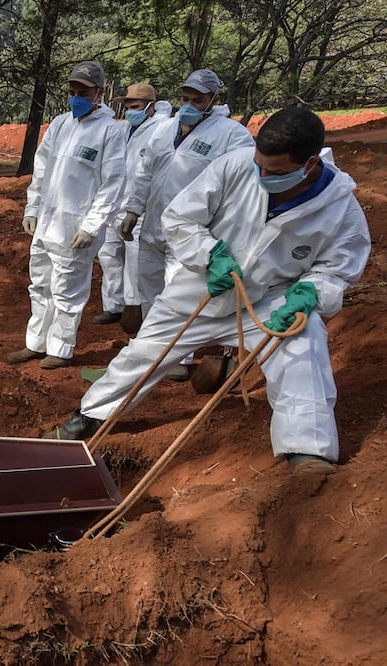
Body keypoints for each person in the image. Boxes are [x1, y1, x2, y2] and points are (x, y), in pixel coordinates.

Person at [52, 107, 370, 476]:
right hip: (203, 285)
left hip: (270, 299)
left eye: (276, 172)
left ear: (310, 163)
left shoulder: (340, 208)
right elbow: (180, 217)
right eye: (259, 166)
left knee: (303, 342)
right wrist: (209, 254)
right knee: (145, 352)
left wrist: (310, 294)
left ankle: (306, 449)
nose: (263, 177)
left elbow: (337, 267)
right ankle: (90, 416)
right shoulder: (235, 166)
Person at [118, 70, 254, 379]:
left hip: (193, 231)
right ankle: (153, 347)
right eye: (185, 98)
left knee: (178, 291)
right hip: (153, 223)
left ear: (213, 100)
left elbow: (240, 187)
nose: (190, 104)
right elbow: (144, 173)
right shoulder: (164, 130)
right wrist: (132, 210)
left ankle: (177, 357)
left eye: (198, 99)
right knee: (149, 288)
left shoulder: (232, 135)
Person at [8, 61, 126, 369]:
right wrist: (32, 208)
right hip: (47, 223)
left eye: (83, 92)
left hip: (76, 229)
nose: (76, 98)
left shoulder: (109, 132)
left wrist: (92, 226)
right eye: (72, 92)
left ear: (100, 93)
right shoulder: (60, 124)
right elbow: (42, 169)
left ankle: (60, 349)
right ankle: (35, 343)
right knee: (40, 284)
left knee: (67, 290)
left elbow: (112, 184)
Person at [93, 82, 167, 326]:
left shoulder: (162, 129)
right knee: (109, 255)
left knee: (136, 261)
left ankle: (135, 309)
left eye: (134, 106)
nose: (129, 111)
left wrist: (139, 205)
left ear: (150, 107)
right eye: (127, 106)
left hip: (140, 209)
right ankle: (113, 305)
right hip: (115, 203)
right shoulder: (123, 128)